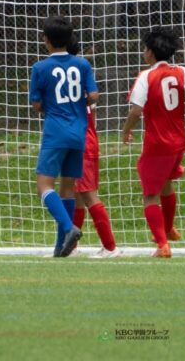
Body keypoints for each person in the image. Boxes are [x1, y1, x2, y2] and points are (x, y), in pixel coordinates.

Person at [29, 16, 98, 258]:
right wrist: (77, 105)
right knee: (67, 190)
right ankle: (61, 248)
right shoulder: (83, 64)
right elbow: (94, 96)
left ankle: (69, 228)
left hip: (55, 133)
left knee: (44, 186)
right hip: (78, 132)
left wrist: (53, 107)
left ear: (46, 39)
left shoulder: (40, 68)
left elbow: (37, 104)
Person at [121, 27, 185, 259]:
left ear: (150, 52)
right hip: (179, 141)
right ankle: (168, 229)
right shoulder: (182, 72)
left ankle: (162, 245)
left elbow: (136, 111)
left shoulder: (146, 76)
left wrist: (126, 130)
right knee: (167, 184)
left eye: (144, 48)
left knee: (150, 195)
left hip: (157, 143)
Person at [66, 40, 119, 258]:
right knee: (77, 196)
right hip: (86, 141)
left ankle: (110, 247)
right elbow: (92, 114)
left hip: (79, 143)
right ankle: (71, 248)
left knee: (88, 196)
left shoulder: (64, 80)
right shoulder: (82, 76)